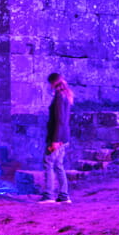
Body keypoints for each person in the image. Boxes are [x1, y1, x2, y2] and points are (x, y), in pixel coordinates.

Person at [40, 72, 74, 204]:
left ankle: (49, 195)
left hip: (58, 137)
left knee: (48, 163)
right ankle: (64, 195)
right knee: (59, 165)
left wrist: (55, 140)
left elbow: (60, 120)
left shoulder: (59, 97)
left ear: (53, 83)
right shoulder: (66, 96)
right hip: (64, 137)